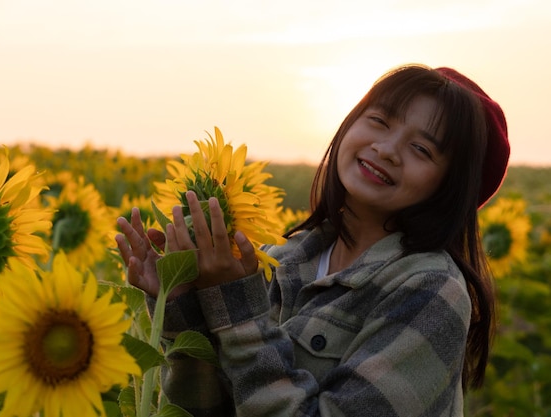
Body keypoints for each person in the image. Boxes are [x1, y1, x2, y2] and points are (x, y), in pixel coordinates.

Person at [115, 63, 509, 417]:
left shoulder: (430, 291)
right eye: (379, 120)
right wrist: (182, 303)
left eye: (421, 148)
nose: (386, 149)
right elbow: (206, 409)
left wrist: (236, 307)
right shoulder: (281, 259)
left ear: (450, 186)